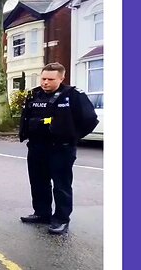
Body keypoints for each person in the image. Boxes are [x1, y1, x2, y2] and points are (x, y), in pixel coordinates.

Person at [19, 62, 98, 235]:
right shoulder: (35, 95)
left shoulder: (73, 95)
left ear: (61, 78)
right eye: (43, 78)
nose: (45, 82)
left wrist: (73, 136)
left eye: (50, 79)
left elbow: (90, 119)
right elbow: (26, 118)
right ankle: (42, 213)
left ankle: (61, 219)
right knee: (38, 183)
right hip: (36, 147)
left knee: (61, 185)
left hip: (60, 148)